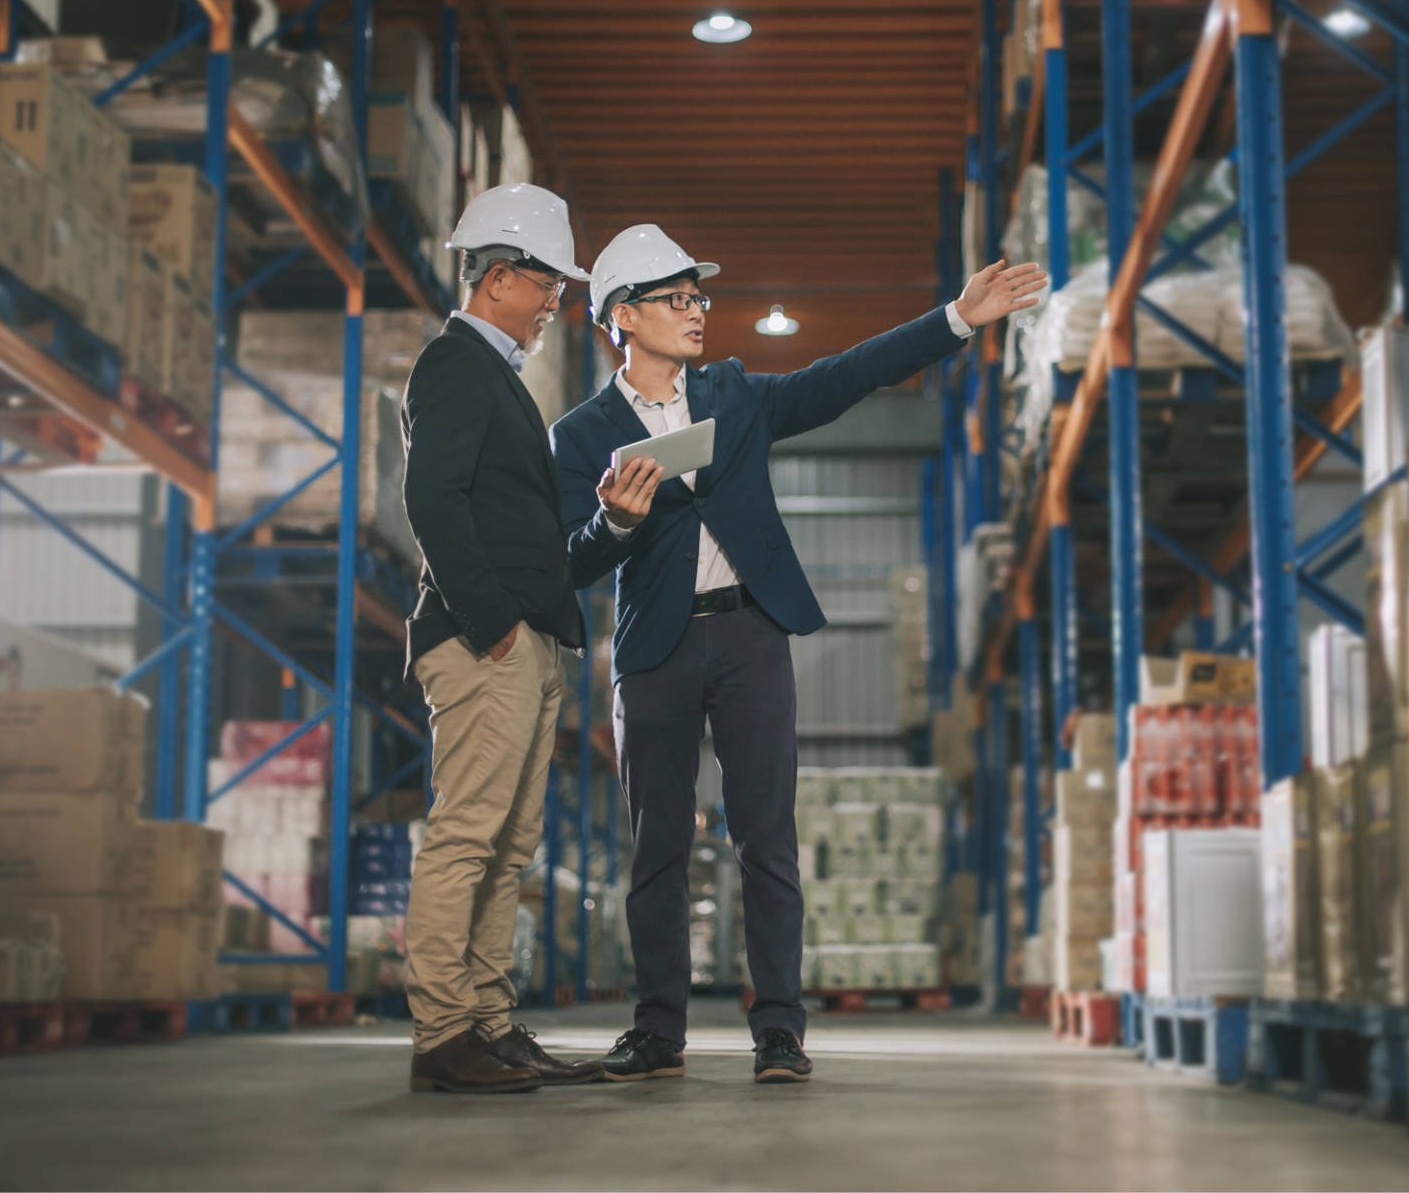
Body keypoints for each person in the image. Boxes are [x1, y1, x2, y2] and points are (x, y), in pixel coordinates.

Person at [551, 223, 1046, 1084]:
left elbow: (841, 378)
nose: (696, 312)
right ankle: (657, 1031)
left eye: (697, 297)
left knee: (766, 841)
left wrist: (956, 321)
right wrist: (614, 523)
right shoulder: (579, 434)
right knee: (656, 846)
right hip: (655, 649)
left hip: (751, 633)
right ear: (622, 315)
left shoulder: (734, 395)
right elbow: (567, 562)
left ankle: (779, 1030)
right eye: (676, 299)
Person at [398, 183, 606, 1093]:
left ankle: (488, 1018)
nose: (557, 301)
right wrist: (491, 624)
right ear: (498, 277)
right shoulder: (453, 364)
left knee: (510, 845)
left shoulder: (498, 374)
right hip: (485, 641)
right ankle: (444, 1035)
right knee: (468, 836)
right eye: (548, 283)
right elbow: (430, 499)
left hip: (529, 642)